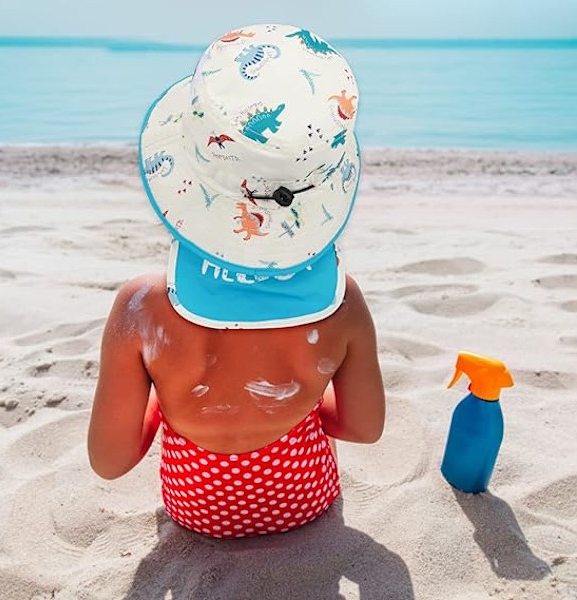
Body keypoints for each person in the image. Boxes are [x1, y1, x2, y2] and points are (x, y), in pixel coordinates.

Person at [88, 23, 385, 540]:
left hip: (195, 510)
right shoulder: (343, 303)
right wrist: (296, 403)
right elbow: (364, 427)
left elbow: (109, 462)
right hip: (304, 500)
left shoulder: (141, 308)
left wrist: (169, 403)